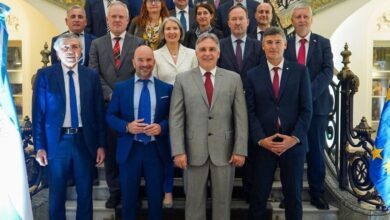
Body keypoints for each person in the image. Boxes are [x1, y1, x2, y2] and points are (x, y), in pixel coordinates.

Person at [170, 33, 248, 220]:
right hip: (192, 152)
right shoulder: (182, 79)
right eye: (203, 49)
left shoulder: (233, 79)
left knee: (222, 204)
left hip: (225, 152)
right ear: (196, 53)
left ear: (218, 53)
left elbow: (240, 117)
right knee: (194, 203)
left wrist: (240, 150)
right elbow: (176, 118)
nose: (207, 53)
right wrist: (178, 151)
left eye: (211, 49)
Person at [32, 33, 106, 220]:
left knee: (85, 193)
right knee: (56, 194)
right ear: (57, 53)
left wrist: (101, 145)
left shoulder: (91, 76)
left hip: (84, 141)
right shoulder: (45, 76)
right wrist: (39, 147)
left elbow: (99, 113)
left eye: (75, 47)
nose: (71, 51)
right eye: (65, 48)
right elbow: (38, 114)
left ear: (81, 51)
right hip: (57, 143)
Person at [246, 27, 312, 220]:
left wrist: (294, 138)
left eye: (277, 42)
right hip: (264, 144)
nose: (273, 46)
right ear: (263, 46)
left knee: (293, 198)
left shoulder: (300, 72)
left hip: (292, 144)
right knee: (258, 198)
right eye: (269, 42)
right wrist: (260, 139)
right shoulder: (252, 74)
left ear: (285, 44)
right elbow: (249, 111)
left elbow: (307, 109)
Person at [106, 45, 173, 220]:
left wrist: (162, 127)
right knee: (128, 200)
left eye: (149, 60)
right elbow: (110, 116)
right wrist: (127, 126)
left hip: (155, 150)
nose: (145, 64)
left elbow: (172, 117)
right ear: (133, 62)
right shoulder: (121, 88)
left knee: (155, 200)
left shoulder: (166, 89)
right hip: (130, 150)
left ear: (154, 62)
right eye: (141, 60)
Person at [89, 1, 144, 209]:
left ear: (128, 19)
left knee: (133, 153)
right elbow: (94, 73)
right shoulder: (96, 44)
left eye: (122, 17)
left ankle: (133, 192)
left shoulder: (138, 43)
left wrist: (123, 95)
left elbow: (141, 71)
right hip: (107, 106)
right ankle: (115, 192)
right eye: (114, 17)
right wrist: (111, 94)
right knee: (111, 153)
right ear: (107, 20)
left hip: (133, 107)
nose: (118, 20)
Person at [284, 2, 334, 210]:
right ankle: (290, 195)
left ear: (311, 19)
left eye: (306, 17)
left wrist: (308, 94)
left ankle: (317, 193)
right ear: (292, 20)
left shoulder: (322, 43)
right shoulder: (284, 43)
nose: (302, 20)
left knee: (315, 152)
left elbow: (327, 71)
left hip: (317, 106)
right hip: (290, 109)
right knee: (291, 154)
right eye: (298, 17)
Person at [218, 5, 262, 89]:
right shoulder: (219, 46)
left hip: (251, 96)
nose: (237, 23)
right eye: (234, 19)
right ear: (228, 23)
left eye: (241, 18)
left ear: (248, 22)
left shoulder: (258, 46)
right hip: (227, 95)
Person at [154, 17, 198, 84]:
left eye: (175, 28)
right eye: (168, 29)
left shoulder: (192, 54)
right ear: (163, 32)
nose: (172, 32)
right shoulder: (155, 55)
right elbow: (154, 82)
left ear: (180, 32)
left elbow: (196, 82)